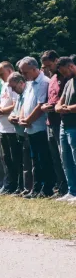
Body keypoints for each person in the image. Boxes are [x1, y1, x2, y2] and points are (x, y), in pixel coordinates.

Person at [18, 56, 55, 198]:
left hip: (40, 127)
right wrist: (22, 117)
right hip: (31, 128)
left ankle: (47, 188)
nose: (23, 75)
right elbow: (25, 103)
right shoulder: (29, 83)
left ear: (34, 69)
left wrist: (27, 120)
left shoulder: (43, 82)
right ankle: (37, 187)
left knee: (43, 159)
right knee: (35, 159)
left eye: (25, 72)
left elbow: (40, 106)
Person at [41, 50, 68, 196]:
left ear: (57, 60)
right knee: (55, 157)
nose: (47, 69)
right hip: (49, 122)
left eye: (49, 65)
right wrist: (46, 106)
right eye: (45, 66)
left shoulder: (65, 77)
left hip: (61, 121)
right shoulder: (51, 78)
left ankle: (70, 187)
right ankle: (62, 187)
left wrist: (53, 106)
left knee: (64, 156)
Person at [0, 62, 20, 194]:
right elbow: (1, 102)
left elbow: (15, 105)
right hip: (3, 127)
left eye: (1, 74)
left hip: (12, 128)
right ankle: (8, 184)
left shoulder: (13, 85)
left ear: (9, 71)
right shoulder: (4, 85)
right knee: (6, 158)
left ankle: (15, 185)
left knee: (15, 158)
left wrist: (1, 110)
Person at [7, 72, 34, 195]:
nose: (13, 90)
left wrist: (19, 118)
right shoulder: (19, 95)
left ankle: (30, 188)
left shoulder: (28, 94)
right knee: (23, 162)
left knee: (29, 162)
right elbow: (14, 111)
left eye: (14, 87)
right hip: (19, 133)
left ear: (21, 83)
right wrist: (11, 117)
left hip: (28, 132)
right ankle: (24, 187)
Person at [55, 57, 76, 202]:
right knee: (66, 160)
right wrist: (58, 107)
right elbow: (59, 102)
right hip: (64, 125)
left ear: (71, 66)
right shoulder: (68, 82)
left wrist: (67, 109)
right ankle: (71, 191)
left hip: (74, 126)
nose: (64, 75)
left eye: (64, 72)